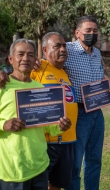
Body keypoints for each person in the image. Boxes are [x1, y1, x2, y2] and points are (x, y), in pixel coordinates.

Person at [0, 38, 71, 190]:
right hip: (12, 171)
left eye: (30, 55)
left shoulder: (40, 88)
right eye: (21, 54)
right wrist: (2, 124)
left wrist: (60, 126)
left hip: (40, 166)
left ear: (35, 60)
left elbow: (48, 127)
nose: (26, 58)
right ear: (11, 59)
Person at [64, 15, 110, 190]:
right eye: (88, 31)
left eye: (95, 31)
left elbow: (99, 76)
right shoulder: (67, 50)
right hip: (78, 114)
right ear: (77, 33)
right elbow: (46, 64)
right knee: (75, 163)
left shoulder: (97, 53)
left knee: (95, 160)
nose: (92, 34)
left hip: (97, 113)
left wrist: (107, 86)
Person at [30, 32, 78, 190]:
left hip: (68, 139)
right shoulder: (36, 69)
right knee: (40, 184)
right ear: (44, 50)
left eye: (64, 45)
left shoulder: (65, 72)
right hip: (46, 142)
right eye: (57, 46)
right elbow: (14, 82)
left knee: (57, 184)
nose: (63, 49)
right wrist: (0, 74)